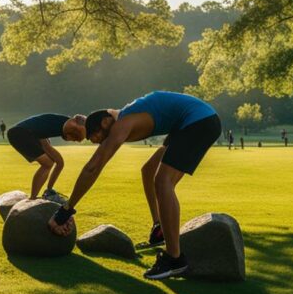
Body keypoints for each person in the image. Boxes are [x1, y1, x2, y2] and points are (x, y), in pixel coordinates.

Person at [48, 91, 221, 281]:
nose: (102, 143)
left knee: (163, 181)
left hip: (198, 121)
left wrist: (65, 211)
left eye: (98, 138)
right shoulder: (122, 117)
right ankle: (159, 228)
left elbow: (93, 167)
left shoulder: (122, 122)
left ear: (105, 123)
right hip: (186, 123)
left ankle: (175, 258)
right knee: (148, 171)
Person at [7, 113, 87, 200]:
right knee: (47, 164)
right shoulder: (65, 125)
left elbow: (44, 140)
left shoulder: (61, 124)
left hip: (28, 134)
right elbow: (45, 142)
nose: (72, 140)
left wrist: (55, 156)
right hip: (20, 133)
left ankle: (49, 190)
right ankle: (33, 198)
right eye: (73, 138)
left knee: (59, 162)